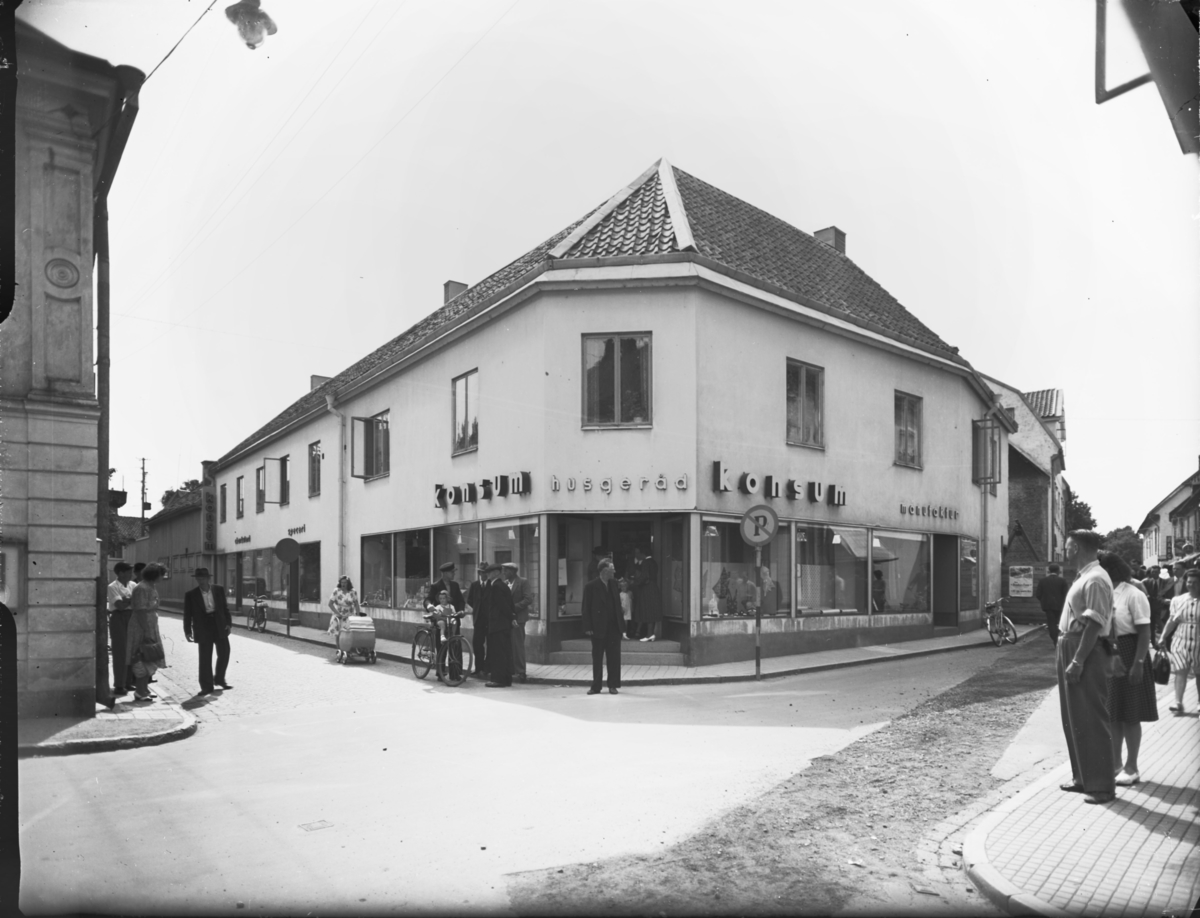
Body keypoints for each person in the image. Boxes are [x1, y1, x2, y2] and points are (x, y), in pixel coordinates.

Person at [1056, 530, 1117, 805]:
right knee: (1074, 716)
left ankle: (1101, 786)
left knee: (1090, 717)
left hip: (1083, 647)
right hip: (1071, 643)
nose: (1064, 550)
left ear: (1077, 548)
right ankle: (1083, 777)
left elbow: (1095, 623)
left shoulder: (1095, 579)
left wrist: (1078, 660)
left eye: (1067, 546)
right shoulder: (1086, 576)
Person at [1097, 552, 1156, 786]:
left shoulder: (1133, 594)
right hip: (1109, 653)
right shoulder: (1103, 593)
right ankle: (1116, 765)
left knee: (1130, 714)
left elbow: (1144, 632)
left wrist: (1138, 663)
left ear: (1109, 570)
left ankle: (1132, 767)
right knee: (1112, 713)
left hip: (1130, 651)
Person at [184, 567, 233, 696]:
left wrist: (228, 623)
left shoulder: (218, 590)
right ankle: (206, 686)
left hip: (219, 624)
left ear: (208, 579)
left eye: (203, 578)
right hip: (203, 627)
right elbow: (187, 614)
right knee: (205, 657)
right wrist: (188, 631)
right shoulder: (191, 595)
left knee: (225, 652)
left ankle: (220, 679)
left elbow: (225, 608)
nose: (201, 581)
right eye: (198, 578)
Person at [1159, 567, 1200, 715]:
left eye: (1195, 582)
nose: (1191, 585)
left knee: (1199, 673)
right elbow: (1172, 620)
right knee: (1180, 670)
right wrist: (1163, 636)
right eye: (1189, 582)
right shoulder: (1178, 600)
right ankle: (1178, 702)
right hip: (1180, 640)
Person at [582, 559, 623, 695]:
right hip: (598, 627)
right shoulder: (591, 586)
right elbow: (586, 608)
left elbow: (617, 606)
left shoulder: (614, 584)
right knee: (597, 658)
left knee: (614, 658)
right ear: (605, 571)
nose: (614, 571)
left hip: (613, 627)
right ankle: (596, 686)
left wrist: (621, 626)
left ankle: (613, 685)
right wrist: (588, 627)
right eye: (612, 568)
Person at [127, 563, 167, 703]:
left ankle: (144, 689)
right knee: (142, 657)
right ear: (155, 574)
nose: (163, 577)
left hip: (149, 625)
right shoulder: (142, 588)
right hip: (141, 628)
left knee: (149, 657)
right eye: (162, 574)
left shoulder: (150, 586)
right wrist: (146, 631)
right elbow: (141, 611)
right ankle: (140, 691)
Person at [483, 564, 516, 688]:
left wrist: (511, 617)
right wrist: (512, 617)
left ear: (497, 573)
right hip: (503, 625)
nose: (487, 574)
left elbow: (502, 605)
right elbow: (510, 604)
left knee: (497, 653)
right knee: (505, 651)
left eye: (490, 572)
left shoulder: (496, 586)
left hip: (498, 625)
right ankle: (506, 679)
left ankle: (498, 679)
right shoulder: (502, 585)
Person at [502, 562, 534, 683]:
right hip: (507, 618)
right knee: (509, 645)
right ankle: (512, 669)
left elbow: (528, 599)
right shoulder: (505, 583)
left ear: (512, 571)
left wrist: (513, 608)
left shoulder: (523, 582)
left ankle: (521, 671)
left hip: (519, 618)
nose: (504, 573)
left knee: (518, 645)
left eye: (506, 570)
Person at [106, 562, 135, 695]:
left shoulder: (133, 585)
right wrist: (130, 600)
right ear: (121, 573)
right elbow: (120, 606)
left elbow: (137, 601)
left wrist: (126, 599)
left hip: (132, 617)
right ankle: (119, 684)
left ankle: (128, 682)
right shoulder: (112, 586)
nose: (131, 574)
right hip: (119, 618)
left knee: (132, 650)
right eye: (128, 572)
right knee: (120, 651)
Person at [630, 546, 662, 641]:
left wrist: (634, 583)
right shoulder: (654, 562)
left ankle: (649, 635)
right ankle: (650, 634)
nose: (637, 555)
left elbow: (644, 576)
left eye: (638, 553)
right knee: (651, 610)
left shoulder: (646, 562)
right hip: (653, 587)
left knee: (647, 610)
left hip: (647, 588)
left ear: (643, 554)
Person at [327, 576, 361, 662]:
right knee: (338, 634)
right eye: (342, 582)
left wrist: (358, 615)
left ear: (348, 583)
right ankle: (340, 651)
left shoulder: (353, 592)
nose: (343, 584)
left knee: (348, 634)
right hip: (339, 615)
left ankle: (348, 651)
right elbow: (330, 604)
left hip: (349, 615)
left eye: (345, 583)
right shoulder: (336, 591)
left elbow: (356, 604)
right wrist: (337, 613)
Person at [465, 560, 490, 679]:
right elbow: (469, 600)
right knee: (477, 644)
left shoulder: (492, 584)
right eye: (482, 572)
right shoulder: (474, 585)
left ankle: (487, 668)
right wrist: (477, 609)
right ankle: (478, 667)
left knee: (491, 644)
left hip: (490, 620)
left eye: (486, 572)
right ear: (479, 573)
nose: (484, 574)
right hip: (478, 620)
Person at [1035, 564, 1069, 645]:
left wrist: (1044, 600)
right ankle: (1060, 638)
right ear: (1058, 571)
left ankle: (1055, 639)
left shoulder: (1042, 581)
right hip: (1060, 606)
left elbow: (1038, 594)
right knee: (1060, 622)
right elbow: (1066, 594)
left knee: (1051, 623)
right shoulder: (1062, 581)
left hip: (1048, 606)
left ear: (1049, 571)